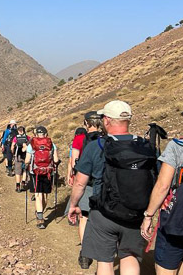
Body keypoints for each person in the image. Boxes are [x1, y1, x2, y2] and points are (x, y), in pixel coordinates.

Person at [68, 100, 155, 275]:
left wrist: (74, 204)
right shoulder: (145, 147)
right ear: (128, 120)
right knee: (129, 257)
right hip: (135, 214)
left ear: (106, 120)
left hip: (104, 213)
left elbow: (79, 182)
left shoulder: (96, 146)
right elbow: (156, 182)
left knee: (105, 261)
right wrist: (149, 214)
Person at [141, 110, 183, 274]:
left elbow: (163, 185)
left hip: (174, 221)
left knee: (165, 269)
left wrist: (148, 216)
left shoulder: (177, 146)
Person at [65, 111, 102, 269]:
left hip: (86, 182)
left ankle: (85, 253)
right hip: (104, 184)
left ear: (86, 123)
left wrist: (72, 176)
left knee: (84, 217)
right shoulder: (106, 139)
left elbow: (74, 161)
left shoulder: (80, 138)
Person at [25, 126, 58, 229]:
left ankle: (40, 219)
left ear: (36, 134)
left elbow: (27, 160)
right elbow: (56, 160)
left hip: (35, 172)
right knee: (45, 195)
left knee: (38, 194)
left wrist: (26, 164)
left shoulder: (32, 145)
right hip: (48, 172)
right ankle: (41, 212)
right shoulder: (51, 144)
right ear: (46, 134)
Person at [11, 126, 30, 192]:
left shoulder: (15, 138)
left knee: (18, 171)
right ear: (24, 131)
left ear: (18, 131)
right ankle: (23, 182)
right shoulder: (28, 137)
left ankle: (18, 186)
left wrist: (13, 153)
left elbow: (12, 146)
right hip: (26, 156)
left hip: (18, 156)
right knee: (25, 169)